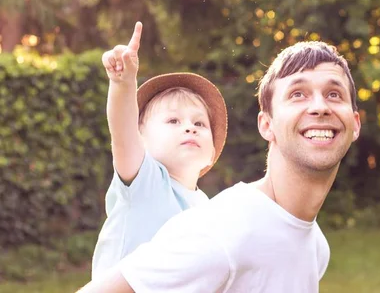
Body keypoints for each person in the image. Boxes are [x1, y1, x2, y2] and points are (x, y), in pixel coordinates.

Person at [79, 40, 361, 292]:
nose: (320, 107)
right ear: (266, 125)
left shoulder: (315, 247)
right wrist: (123, 84)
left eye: (334, 94)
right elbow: (123, 135)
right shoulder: (215, 226)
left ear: (356, 123)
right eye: (298, 93)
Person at [91, 22, 228, 280]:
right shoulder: (146, 182)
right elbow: (122, 132)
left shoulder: (206, 207)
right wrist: (123, 84)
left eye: (199, 123)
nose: (190, 128)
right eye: (173, 121)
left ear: (211, 153)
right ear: (140, 140)